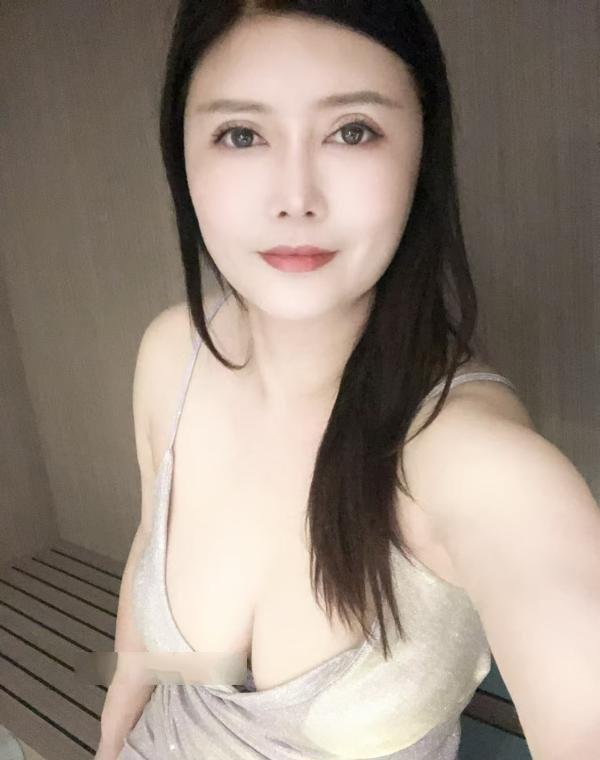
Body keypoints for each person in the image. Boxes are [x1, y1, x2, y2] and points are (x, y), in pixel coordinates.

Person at [96, 2, 600, 759]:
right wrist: (110, 736)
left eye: (353, 130)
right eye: (242, 134)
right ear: (183, 158)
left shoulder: (475, 464)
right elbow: (148, 552)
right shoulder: (172, 356)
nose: (295, 197)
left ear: (422, 151)